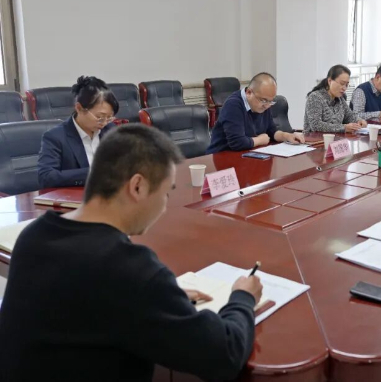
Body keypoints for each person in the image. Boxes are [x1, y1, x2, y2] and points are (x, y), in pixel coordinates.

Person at [0, 124, 262, 382]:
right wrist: (243, 297)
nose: (164, 208)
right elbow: (224, 355)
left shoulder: (34, 235)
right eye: (165, 194)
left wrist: (163, 298)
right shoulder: (130, 269)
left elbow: (84, 300)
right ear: (137, 186)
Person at [37, 76, 119, 189]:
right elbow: (46, 177)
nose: (104, 123)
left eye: (109, 118)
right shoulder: (55, 137)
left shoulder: (110, 130)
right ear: (79, 108)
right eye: (99, 117)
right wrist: (94, 173)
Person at [207, 72, 303, 154]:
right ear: (249, 92)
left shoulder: (263, 104)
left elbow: (271, 131)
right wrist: (260, 140)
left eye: (271, 101)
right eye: (264, 100)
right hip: (223, 157)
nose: (267, 105)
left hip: (248, 154)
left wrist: (287, 136)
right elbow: (237, 142)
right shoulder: (233, 105)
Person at [304, 64, 367, 133]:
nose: (344, 88)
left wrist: (359, 120)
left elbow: (349, 116)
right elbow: (316, 125)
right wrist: (344, 128)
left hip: (336, 139)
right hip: (315, 139)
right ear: (330, 81)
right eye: (342, 83)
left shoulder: (340, 99)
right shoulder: (315, 97)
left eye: (346, 85)